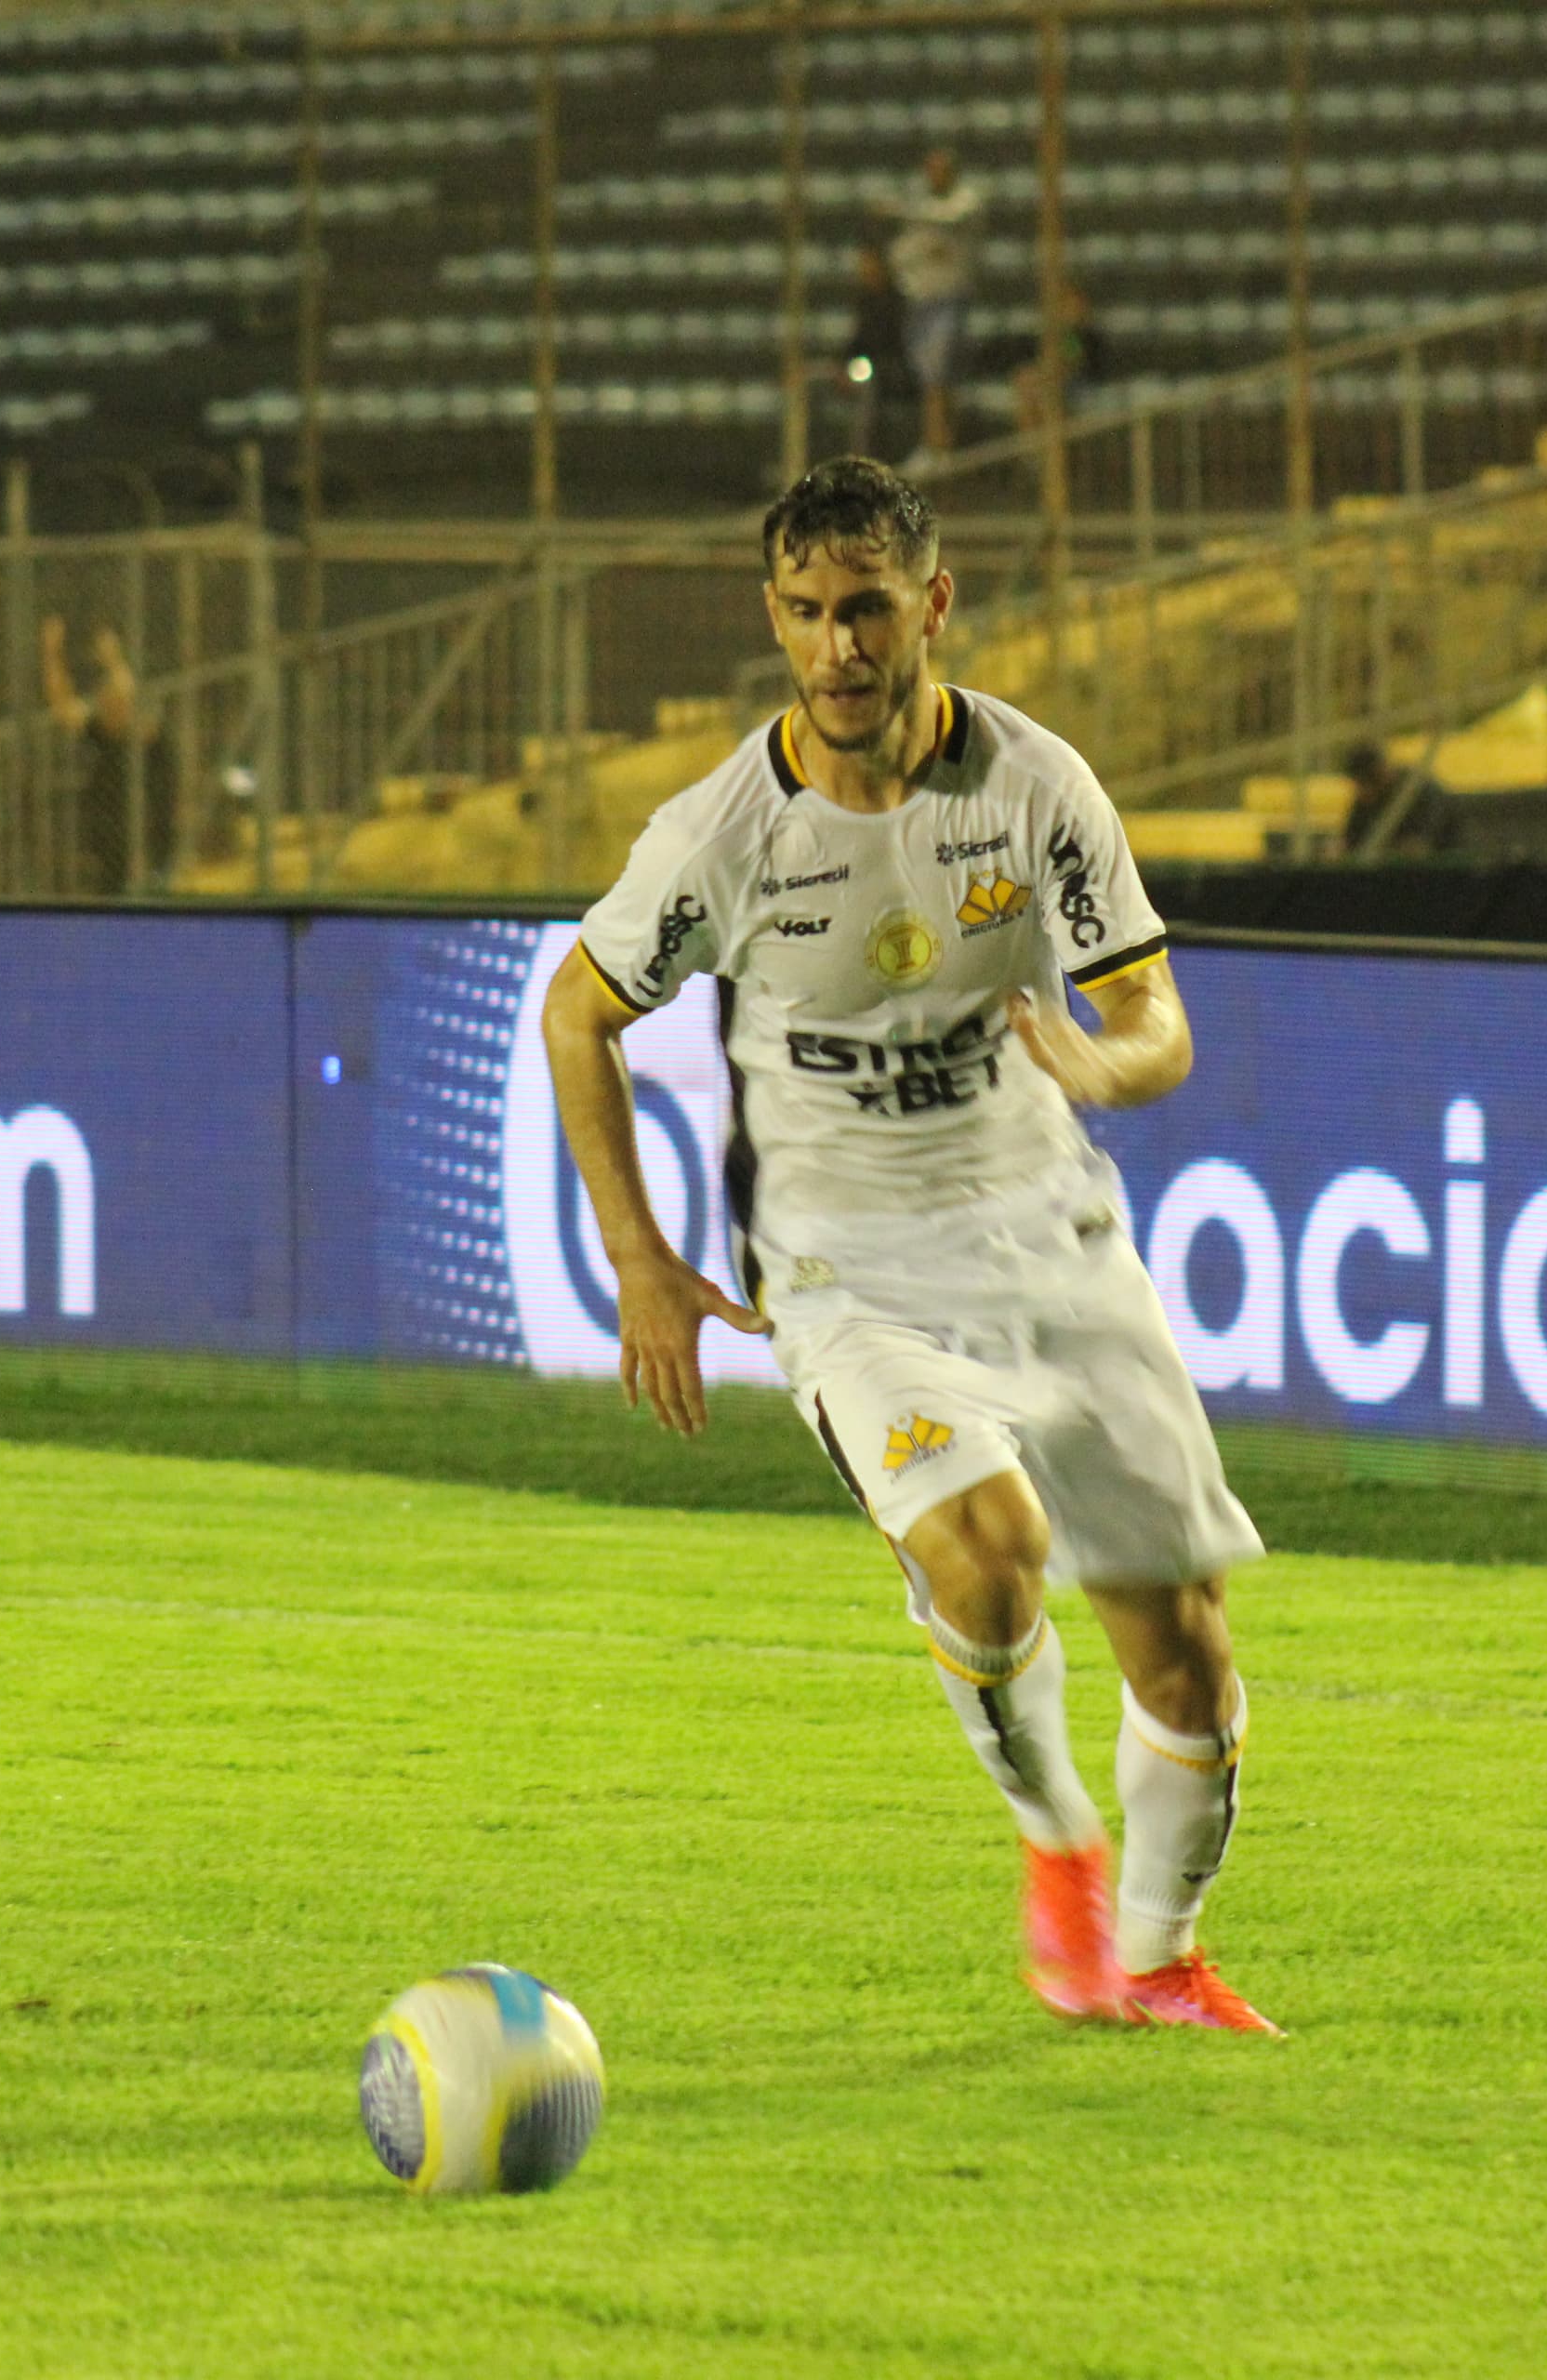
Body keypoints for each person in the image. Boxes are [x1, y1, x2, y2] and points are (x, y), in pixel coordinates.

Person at [541, 456, 1276, 2034]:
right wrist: (641, 1258)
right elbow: (577, 1011)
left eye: (867, 609)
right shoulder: (724, 833)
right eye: (804, 615)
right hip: (847, 1268)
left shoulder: (1034, 788)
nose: (838, 650)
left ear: (933, 603)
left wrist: (1105, 1063)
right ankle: (1057, 1850)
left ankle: (1151, 1963)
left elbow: (1153, 1019)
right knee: (989, 1556)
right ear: (775, 619)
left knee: (1192, 1670)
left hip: (1048, 1240)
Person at [40, 615, 199, 892]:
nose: (107, 703)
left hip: (152, 830)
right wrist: (52, 654)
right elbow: (63, 707)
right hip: (111, 833)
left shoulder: (148, 733)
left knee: (156, 883)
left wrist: (112, 658)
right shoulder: (101, 731)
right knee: (114, 886)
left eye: (114, 701)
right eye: (105, 700)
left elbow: (125, 690)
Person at [873, 150, 985, 471]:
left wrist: (900, 210)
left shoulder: (965, 201)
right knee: (928, 373)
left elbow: (946, 218)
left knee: (939, 371)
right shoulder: (921, 211)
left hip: (950, 299)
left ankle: (940, 445)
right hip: (920, 302)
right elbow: (902, 254)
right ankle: (937, 444)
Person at [839, 243, 919, 461]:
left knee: (869, 390)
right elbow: (858, 340)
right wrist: (844, 365)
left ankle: (862, 456)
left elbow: (896, 342)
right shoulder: (863, 301)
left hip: (895, 369)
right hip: (869, 366)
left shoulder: (897, 300)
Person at [1012, 276, 1112, 440]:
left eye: (1073, 304)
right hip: (1062, 380)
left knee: (1041, 392)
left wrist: (1046, 375)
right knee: (1026, 384)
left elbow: (1073, 363)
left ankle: (1049, 452)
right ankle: (1032, 445)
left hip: (1083, 384)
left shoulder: (1084, 333)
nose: (1069, 309)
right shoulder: (1064, 332)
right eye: (1066, 304)